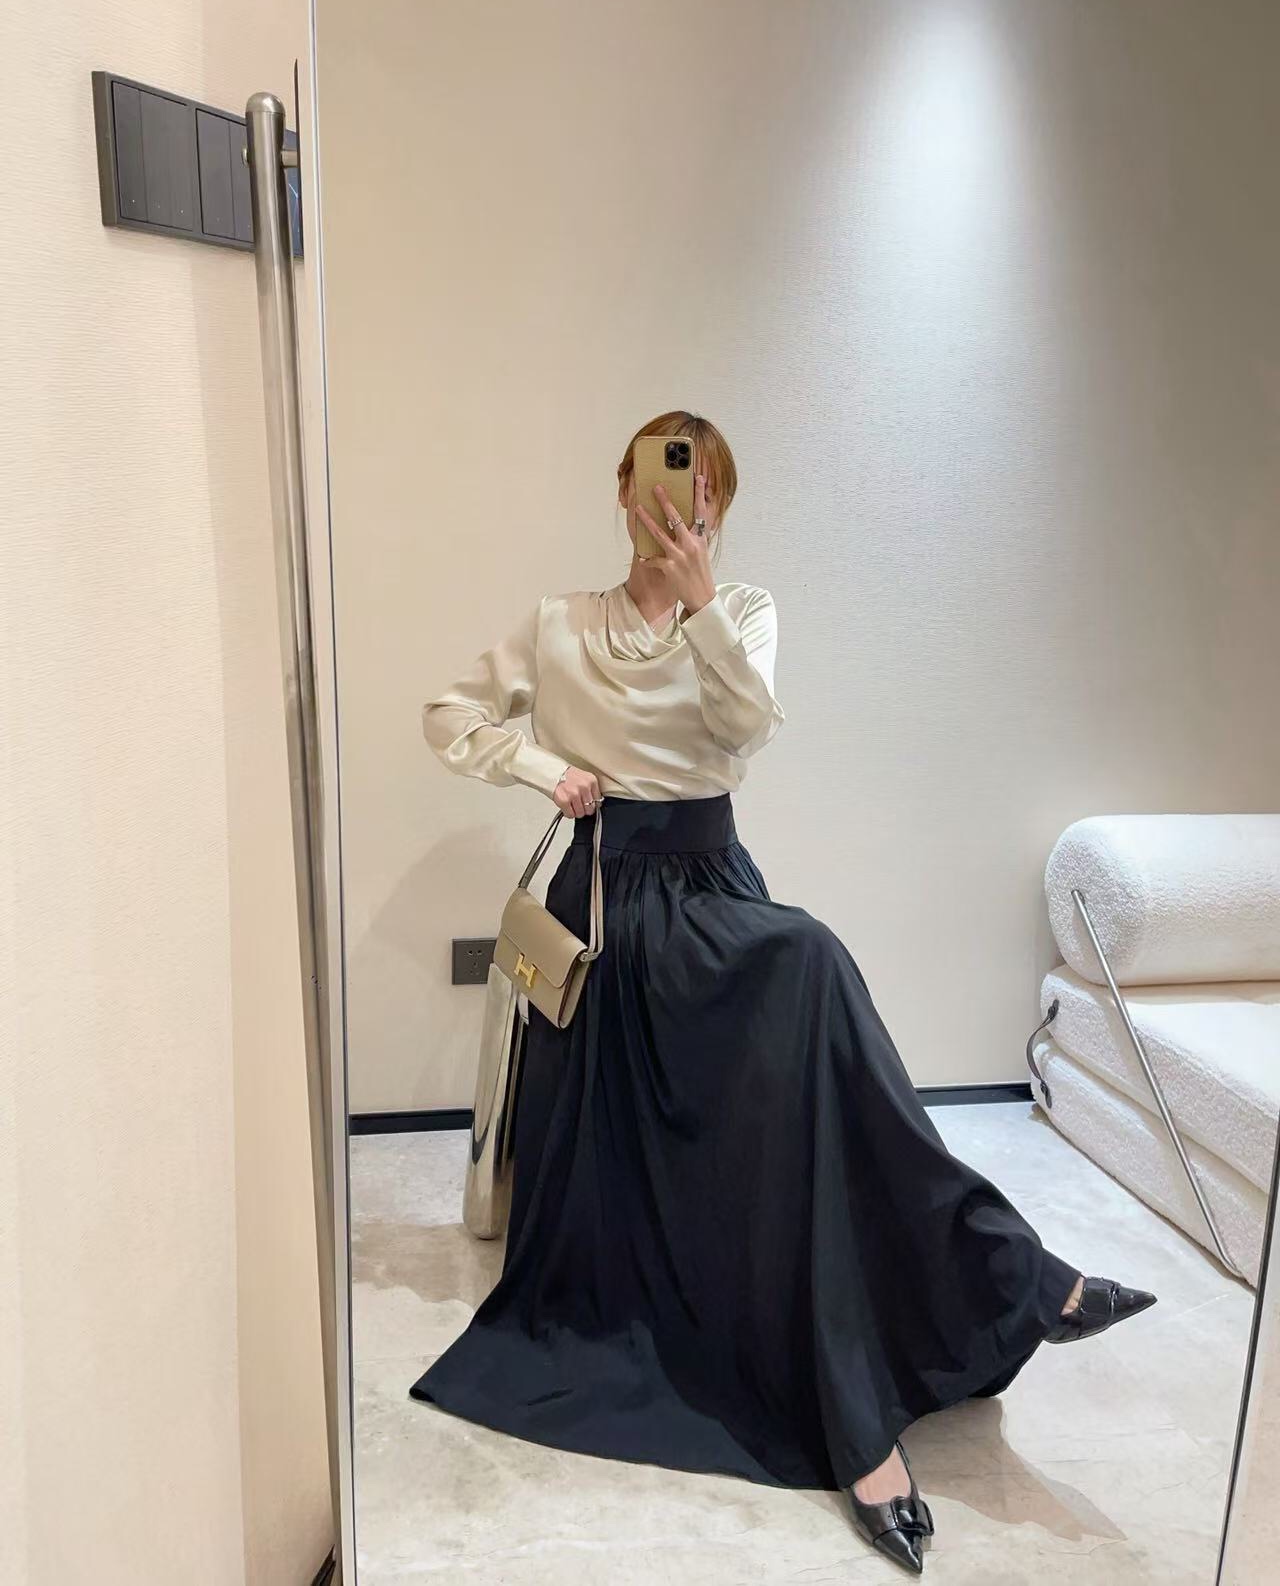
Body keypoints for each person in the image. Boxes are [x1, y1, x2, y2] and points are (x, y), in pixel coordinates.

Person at [408, 410, 1156, 1575]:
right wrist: (543, 765)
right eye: (664, 483)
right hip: (605, 902)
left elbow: (745, 729)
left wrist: (701, 603)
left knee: (804, 1042)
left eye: (704, 490)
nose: (683, 506)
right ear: (624, 492)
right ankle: (994, 1289)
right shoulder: (559, 623)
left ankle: (985, 1283)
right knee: (807, 965)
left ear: (720, 504)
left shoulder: (742, 610)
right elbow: (447, 712)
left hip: (713, 888)